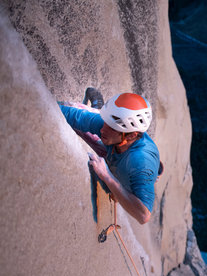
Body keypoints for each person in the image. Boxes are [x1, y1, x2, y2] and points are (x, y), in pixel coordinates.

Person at [59, 88, 160, 224]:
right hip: (114, 151)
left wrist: (107, 176)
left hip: (127, 172)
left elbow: (143, 216)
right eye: (106, 122)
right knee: (75, 109)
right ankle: (98, 107)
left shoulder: (139, 162)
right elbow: (76, 116)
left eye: (112, 127)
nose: (102, 129)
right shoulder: (111, 129)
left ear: (131, 135)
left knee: (108, 182)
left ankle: (97, 107)